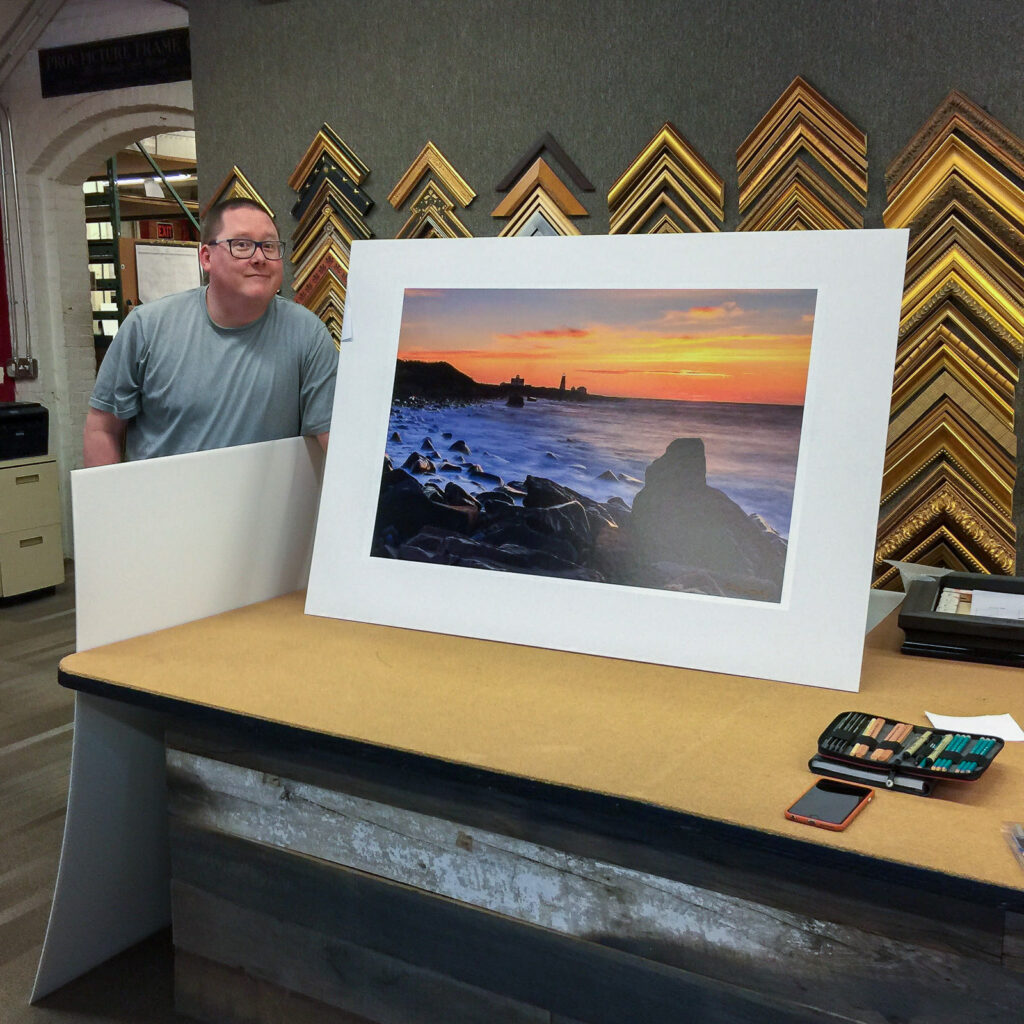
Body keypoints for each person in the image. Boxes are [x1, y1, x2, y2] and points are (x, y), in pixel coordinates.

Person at [82, 198, 338, 466]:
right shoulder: (147, 327)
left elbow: (333, 438)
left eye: (270, 246)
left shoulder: (308, 335)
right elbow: (103, 428)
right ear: (206, 257)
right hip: (164, 504)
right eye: (242, 245)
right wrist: (110, 506)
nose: (260, 257)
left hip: (265, 506)